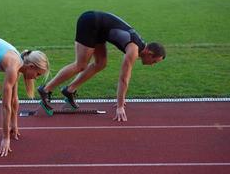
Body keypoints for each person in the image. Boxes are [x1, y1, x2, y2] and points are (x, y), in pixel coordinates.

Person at [37, 10, 166, 121]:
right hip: (91, 22)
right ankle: (46, 90)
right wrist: (120, 105)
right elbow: (123, 79)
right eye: (154, 61)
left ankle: (69, 90)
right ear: (149, 53)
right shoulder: (133, 50)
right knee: (81, 65)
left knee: (101, 63)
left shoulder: (140, 46)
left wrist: (121, 99)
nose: (152, 65)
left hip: (100, 28)